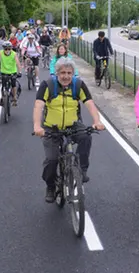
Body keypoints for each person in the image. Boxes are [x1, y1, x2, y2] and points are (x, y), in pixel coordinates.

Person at [33, 58, 104, 202]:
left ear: (73, 73)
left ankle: (81, 170)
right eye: (62, 73)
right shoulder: (48, 85)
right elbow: (38, 106)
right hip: (51, 128)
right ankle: (51, 186)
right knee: (52, 160)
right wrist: (37, 126)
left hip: (73, 125)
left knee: (86, 137)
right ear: (57, 73)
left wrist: (97, 121)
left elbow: (89, 103)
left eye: (69, 73)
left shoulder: (78, 85)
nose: (66, 76)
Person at [0, 41, 22, 105]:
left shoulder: (14, 54)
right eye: (6, 49)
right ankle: (3, 98)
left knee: (14, 85)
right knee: (2, 86)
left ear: (11, 48)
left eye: (9, 49)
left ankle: (14, 98)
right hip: (4, 72)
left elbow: (18, 63)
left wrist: (19, 72)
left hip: (13, 72)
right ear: (3, 49)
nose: (7, 50)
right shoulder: (1, 53)